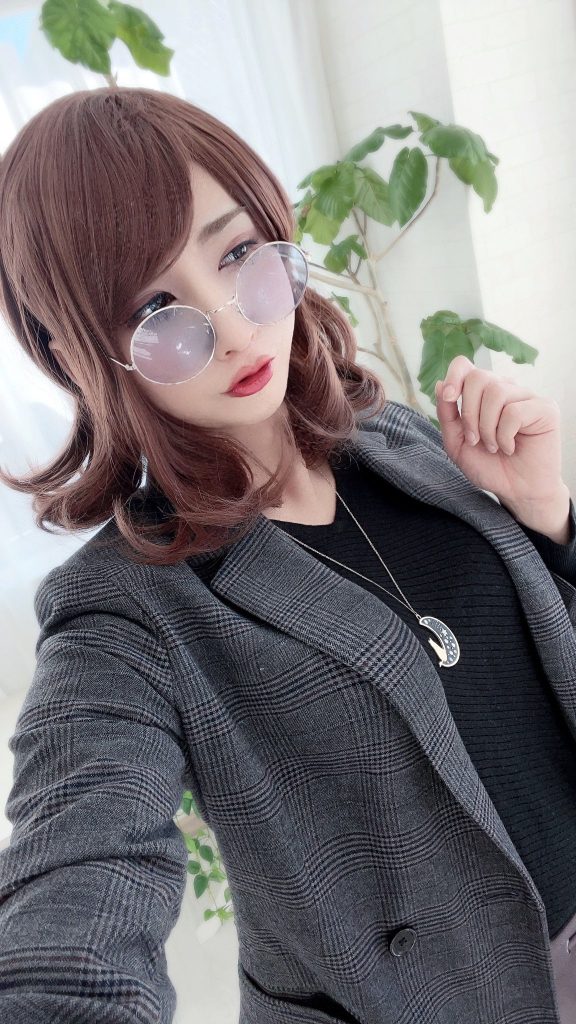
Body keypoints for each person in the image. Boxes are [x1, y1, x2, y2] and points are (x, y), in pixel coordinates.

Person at [0, 86, 575, 1024]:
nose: (232, 329)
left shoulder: (399, 441)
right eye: (156, 308)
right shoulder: (125, 611)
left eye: (236, 254)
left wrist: (551, 522)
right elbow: (75, 891)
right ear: (80, 356)